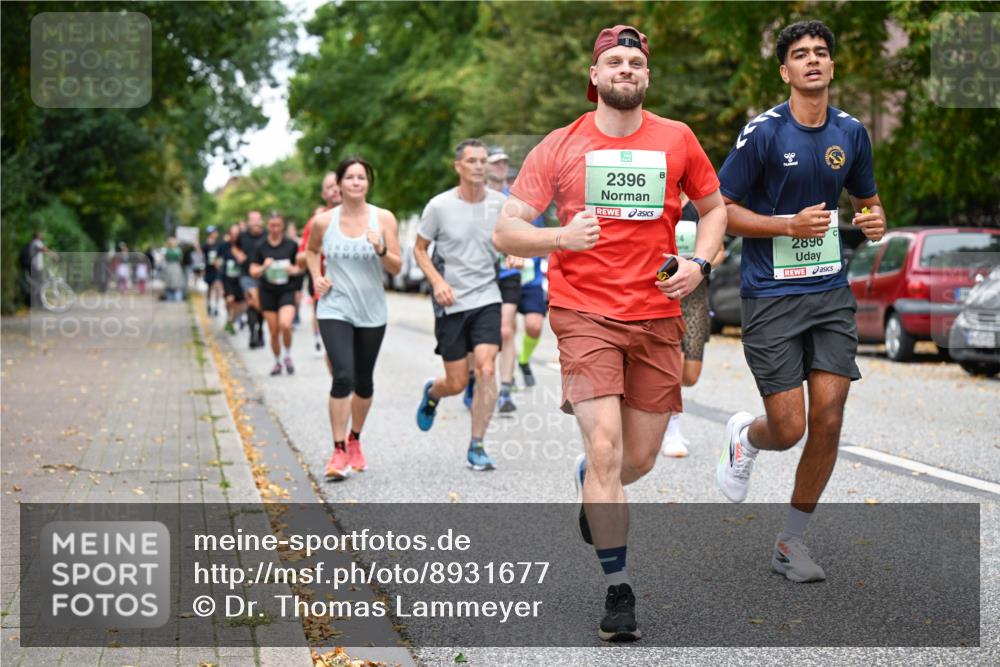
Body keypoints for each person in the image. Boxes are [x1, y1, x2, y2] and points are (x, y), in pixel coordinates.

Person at [493, 25, 727, 641]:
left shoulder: (677, 138)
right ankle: (617, 589)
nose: (626, 69)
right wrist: (559, 237)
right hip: (584, 313)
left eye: (636, 63)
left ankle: (593, 486)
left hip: (656, 313)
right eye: (614, 61)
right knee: (605, 449)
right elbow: (507, 229)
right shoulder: (561, 145)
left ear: (646, 77)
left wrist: (700, 263)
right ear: (594, 76)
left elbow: (715, 208)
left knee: (637, 459)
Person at [715, 20, 886, 583]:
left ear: (832, 66)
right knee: (788, 429)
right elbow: (720, 210)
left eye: (820, 52)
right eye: (800, 54)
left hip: (829, 292)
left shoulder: (852, 132)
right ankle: (747, 436)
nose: (812, 60)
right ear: (785, 71)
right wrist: (786, 225)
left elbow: (868, 203)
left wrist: (874, 221)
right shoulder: (763, 133)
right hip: (770, 295)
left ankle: (790, 543)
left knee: (829, 418)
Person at [305, 157, 401, 479]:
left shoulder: (383, 218)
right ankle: (337, 451)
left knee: (364, 381)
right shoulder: (324, 222)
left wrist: (381, 249)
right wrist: (316, 277)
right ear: (340, 184)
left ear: (368, 183)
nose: (356, 182)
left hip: (372, 310)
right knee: (342, 375)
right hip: (335, 307)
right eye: (350, 177)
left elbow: (397, 267)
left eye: (362, 177)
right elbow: (311, 251)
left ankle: (355, 439)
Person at [413, 139, 506, 471]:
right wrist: (438, 282)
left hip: (487, 296)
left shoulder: (500, 204)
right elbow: (419, 249)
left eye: (483, 160)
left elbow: (512, 239)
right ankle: (433, 393)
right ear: (458, 166)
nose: (479, 166)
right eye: (472, 160)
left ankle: (477, 445)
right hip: (451, 299)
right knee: (456, 382)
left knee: (486, 369)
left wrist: (515, 253)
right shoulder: (439, 206)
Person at [659, 193, 726, 457]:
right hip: (664, 292)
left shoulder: (700, 207)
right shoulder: (660, 202)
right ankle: (672, 429)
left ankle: (659, 405)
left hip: (695, 295)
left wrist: (698, 264)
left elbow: (719, 252)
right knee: (673, 363)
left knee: (690, 375)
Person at [486, 146, 523, 413]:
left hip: (509, 272)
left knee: (505, 329)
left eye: (504, 162)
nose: (501, 167)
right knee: (479, 333)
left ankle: (506, 391)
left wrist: (519, 250)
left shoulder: (516, 199)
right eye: (496, 162)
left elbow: (525, 230)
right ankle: (475, 379)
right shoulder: (476, 197)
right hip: (480, 273)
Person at [250, 213, 304, 376]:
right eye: (272, 225)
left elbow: (300, 268)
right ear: (268, 226)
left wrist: (293, 270)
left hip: (287, 289)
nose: (275, 229)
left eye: (278, 225)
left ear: (283, 226)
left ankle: (287, 355)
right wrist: (264, 267)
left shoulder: (291, 245)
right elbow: (253, 271)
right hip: (268, 291)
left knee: (285, 325)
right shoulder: (260, 246)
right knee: (273, 331)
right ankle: (277, 361)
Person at [299, 172, 343, 360]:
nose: (335, 189)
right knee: (335, 353)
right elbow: (300, 258)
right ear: (323, 194)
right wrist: (319, 250)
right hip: (327, 291)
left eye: (337, 184)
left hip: (358, 293)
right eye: (329, 187)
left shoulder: (365, 217)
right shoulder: (317, 222)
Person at [233, 211, 266, 348]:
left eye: (258, 219)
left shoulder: (266, 235)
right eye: (253, 220)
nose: (255, 222)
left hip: (264, 276)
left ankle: (260, 330)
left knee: (260, 305)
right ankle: (253, 334)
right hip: (247, 275)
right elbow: (234, 247)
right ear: (248, 222)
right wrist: (238, 255)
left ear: (261, 221)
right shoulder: (242, 235)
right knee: (251, 302)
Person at [216, 224, 246, 335]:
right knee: (229, 300)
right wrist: (218, 264)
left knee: (241, 304)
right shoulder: (224, 246)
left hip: (240, 278)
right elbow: (217, 259)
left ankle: (231, 321)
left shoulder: (243, 245)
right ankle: (230, 317)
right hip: (227, 278)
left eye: (237, 234)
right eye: (232, 233)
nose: (234, 236)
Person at [202, 226, 224, 317]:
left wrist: (219, 262)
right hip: (209, 268)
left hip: (217, 269)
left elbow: (222, 255)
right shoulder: (205, 244)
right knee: (210, 288)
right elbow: (202, 256)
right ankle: (209, 304)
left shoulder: (219, 244)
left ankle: (217, 306)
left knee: (218, 286)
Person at [163, 237, 186, 302]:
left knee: (169, 284)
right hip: (176, 267)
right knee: (177, 284)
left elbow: (165, 259)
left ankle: (170, 298)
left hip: (169, 267)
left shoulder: (167, 251)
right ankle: (177, 299)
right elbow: (180, 259)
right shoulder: (178, 250)